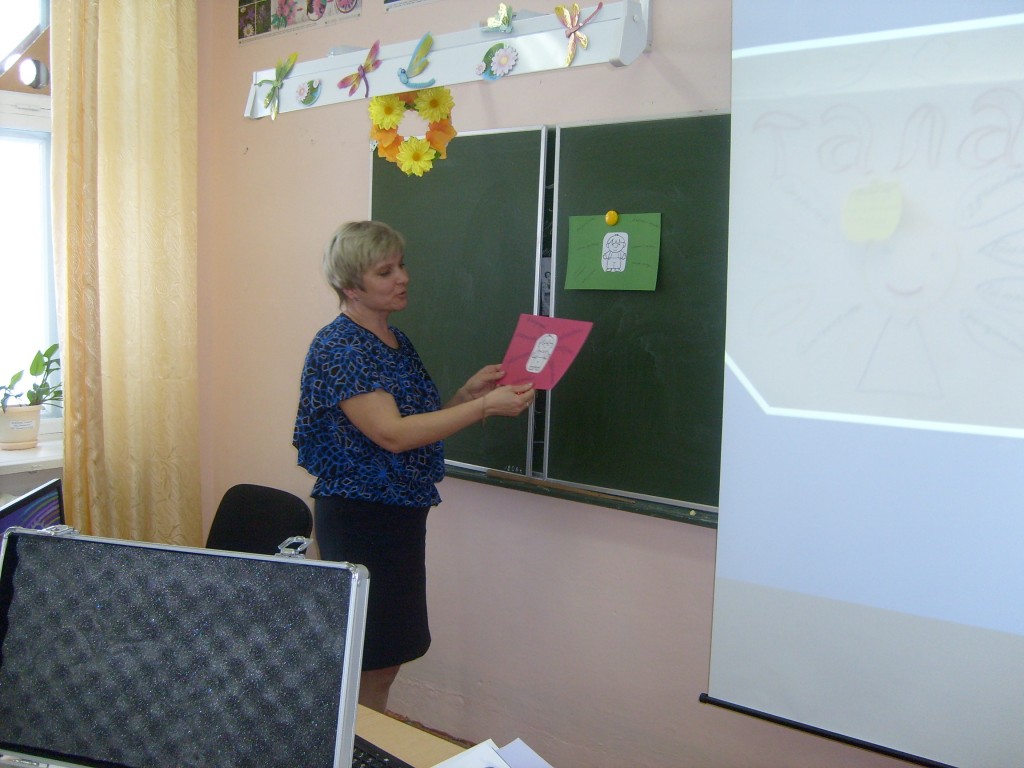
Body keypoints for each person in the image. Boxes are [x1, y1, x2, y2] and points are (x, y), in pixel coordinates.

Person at [293, 220, 535, 712]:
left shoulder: (394, 340)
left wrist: (466, 396)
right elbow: (391, 434)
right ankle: (351, 745)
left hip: (399, 515)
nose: (402, 277)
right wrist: (483, 408)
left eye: (401, 265)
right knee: (369, 658)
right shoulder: (340, 346)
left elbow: (412, 426)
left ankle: (360, 743)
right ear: (351, 287)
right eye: (385, 271)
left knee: (387, 656)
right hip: (362, 518)